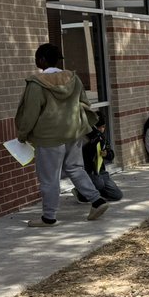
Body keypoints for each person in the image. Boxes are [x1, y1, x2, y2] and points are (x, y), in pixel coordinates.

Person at [14, 42, 109, 227]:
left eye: (36, 58)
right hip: (73, 133)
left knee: (49, 178)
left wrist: (22, 134)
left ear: (41, 59)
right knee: (75, 168)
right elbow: (84, 103)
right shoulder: (74, 79)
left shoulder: (36, 84)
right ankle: (97, 201)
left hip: (49, 137)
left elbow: (30, 113)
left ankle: (49, 217)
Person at [76, 109, 123, 202]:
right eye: (99, 127)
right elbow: (85, 156)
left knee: (117, 195)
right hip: (88, 171)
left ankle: (94, 191)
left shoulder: (102, 138)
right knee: (99, 184)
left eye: (103, 127)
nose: (101, 130)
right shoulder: (84, 138)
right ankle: (81, 192)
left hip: (100, 171)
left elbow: (111, 154)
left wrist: (106, 154)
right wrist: (93, 142)